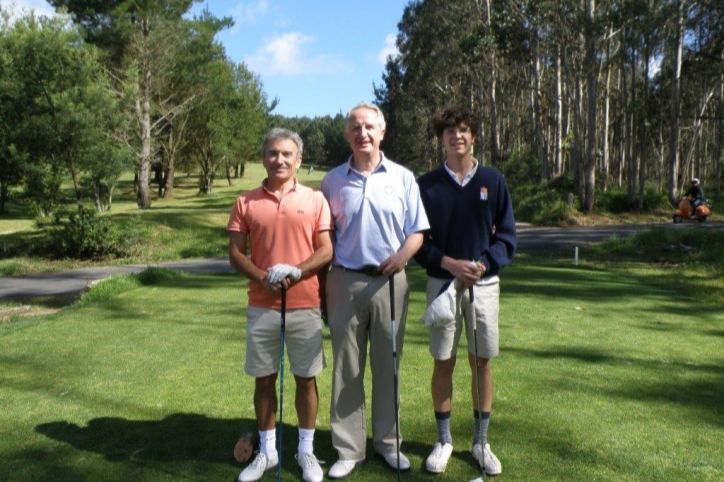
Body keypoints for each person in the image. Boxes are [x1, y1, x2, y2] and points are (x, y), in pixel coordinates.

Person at [321, 102, 430, 479]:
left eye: (369, 126)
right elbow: (324, 236)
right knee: (346, 369)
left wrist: (402, 257)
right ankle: (349, 450)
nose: (362, 133)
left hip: (390, 281)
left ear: (382, 132)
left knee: (389, 367)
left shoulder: (402, 177)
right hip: (344, 279)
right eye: (355, 127)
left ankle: (389, 444)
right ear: (347, 134)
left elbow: (417, 231)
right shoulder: (332, 181)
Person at [414, 106, 516, 476]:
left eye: (463, 130)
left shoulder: (493, 179)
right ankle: (444, 440)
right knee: (444, 360)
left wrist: (483, 264)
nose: (456, 136)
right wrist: (450, 264)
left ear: (473, 136)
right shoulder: (426, 185)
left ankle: (480, 441)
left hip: (484, 284)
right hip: (443, 285)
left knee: (481, 361)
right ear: (441, 139)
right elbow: (418, 243)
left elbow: (506, 237)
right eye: (449, 131)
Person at [228, 128, 333, 482]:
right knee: (263, 380)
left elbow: (326, 250)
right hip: (262, 304)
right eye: (273, 153)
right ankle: (268, 451)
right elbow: (234, 253)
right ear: (264, 158)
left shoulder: (315, 199)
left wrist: (296, 271)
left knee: (306, 380)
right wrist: (263, 277)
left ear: (299, 160)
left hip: (305, 303)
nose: (280, 159)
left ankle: (306, 452)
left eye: (287, 154)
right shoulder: (246, 202)